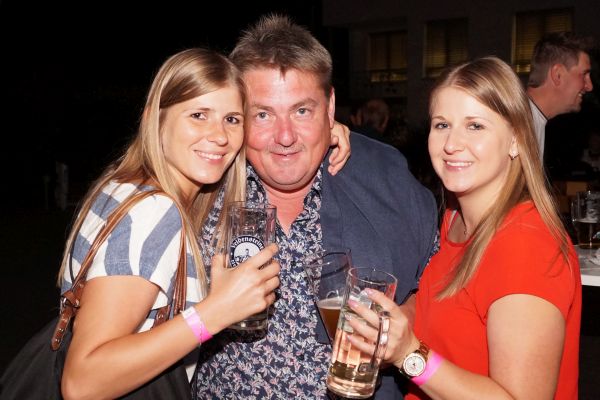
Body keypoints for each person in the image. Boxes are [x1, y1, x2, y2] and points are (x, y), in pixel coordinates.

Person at [194, 14, 439, 399]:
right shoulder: (205, 184)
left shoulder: (380, 176)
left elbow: (439, 274)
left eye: (302, 111)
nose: (285, 136)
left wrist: (405, 320)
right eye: (262, 114)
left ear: (330, 107)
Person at [347, 57, 582, 399]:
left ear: (516, 139)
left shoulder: (527, 247)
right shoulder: (455, 218)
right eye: (442, 124)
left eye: (475, 126)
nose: (451, 144)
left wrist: (408, 354)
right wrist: (398, 320)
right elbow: (439, 298)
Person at [56, 48, 283, 399]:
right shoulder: (154, 210)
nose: (220, 135)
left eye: (232, 119)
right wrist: (215, 313)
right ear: (155, 119)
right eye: (198, 115)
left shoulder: (123, 185)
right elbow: (82, 382)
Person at [526, 31, 594, 159]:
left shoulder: (532, 121)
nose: (590, 86)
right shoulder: (517, 126)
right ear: (558, 74)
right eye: (584, 74)